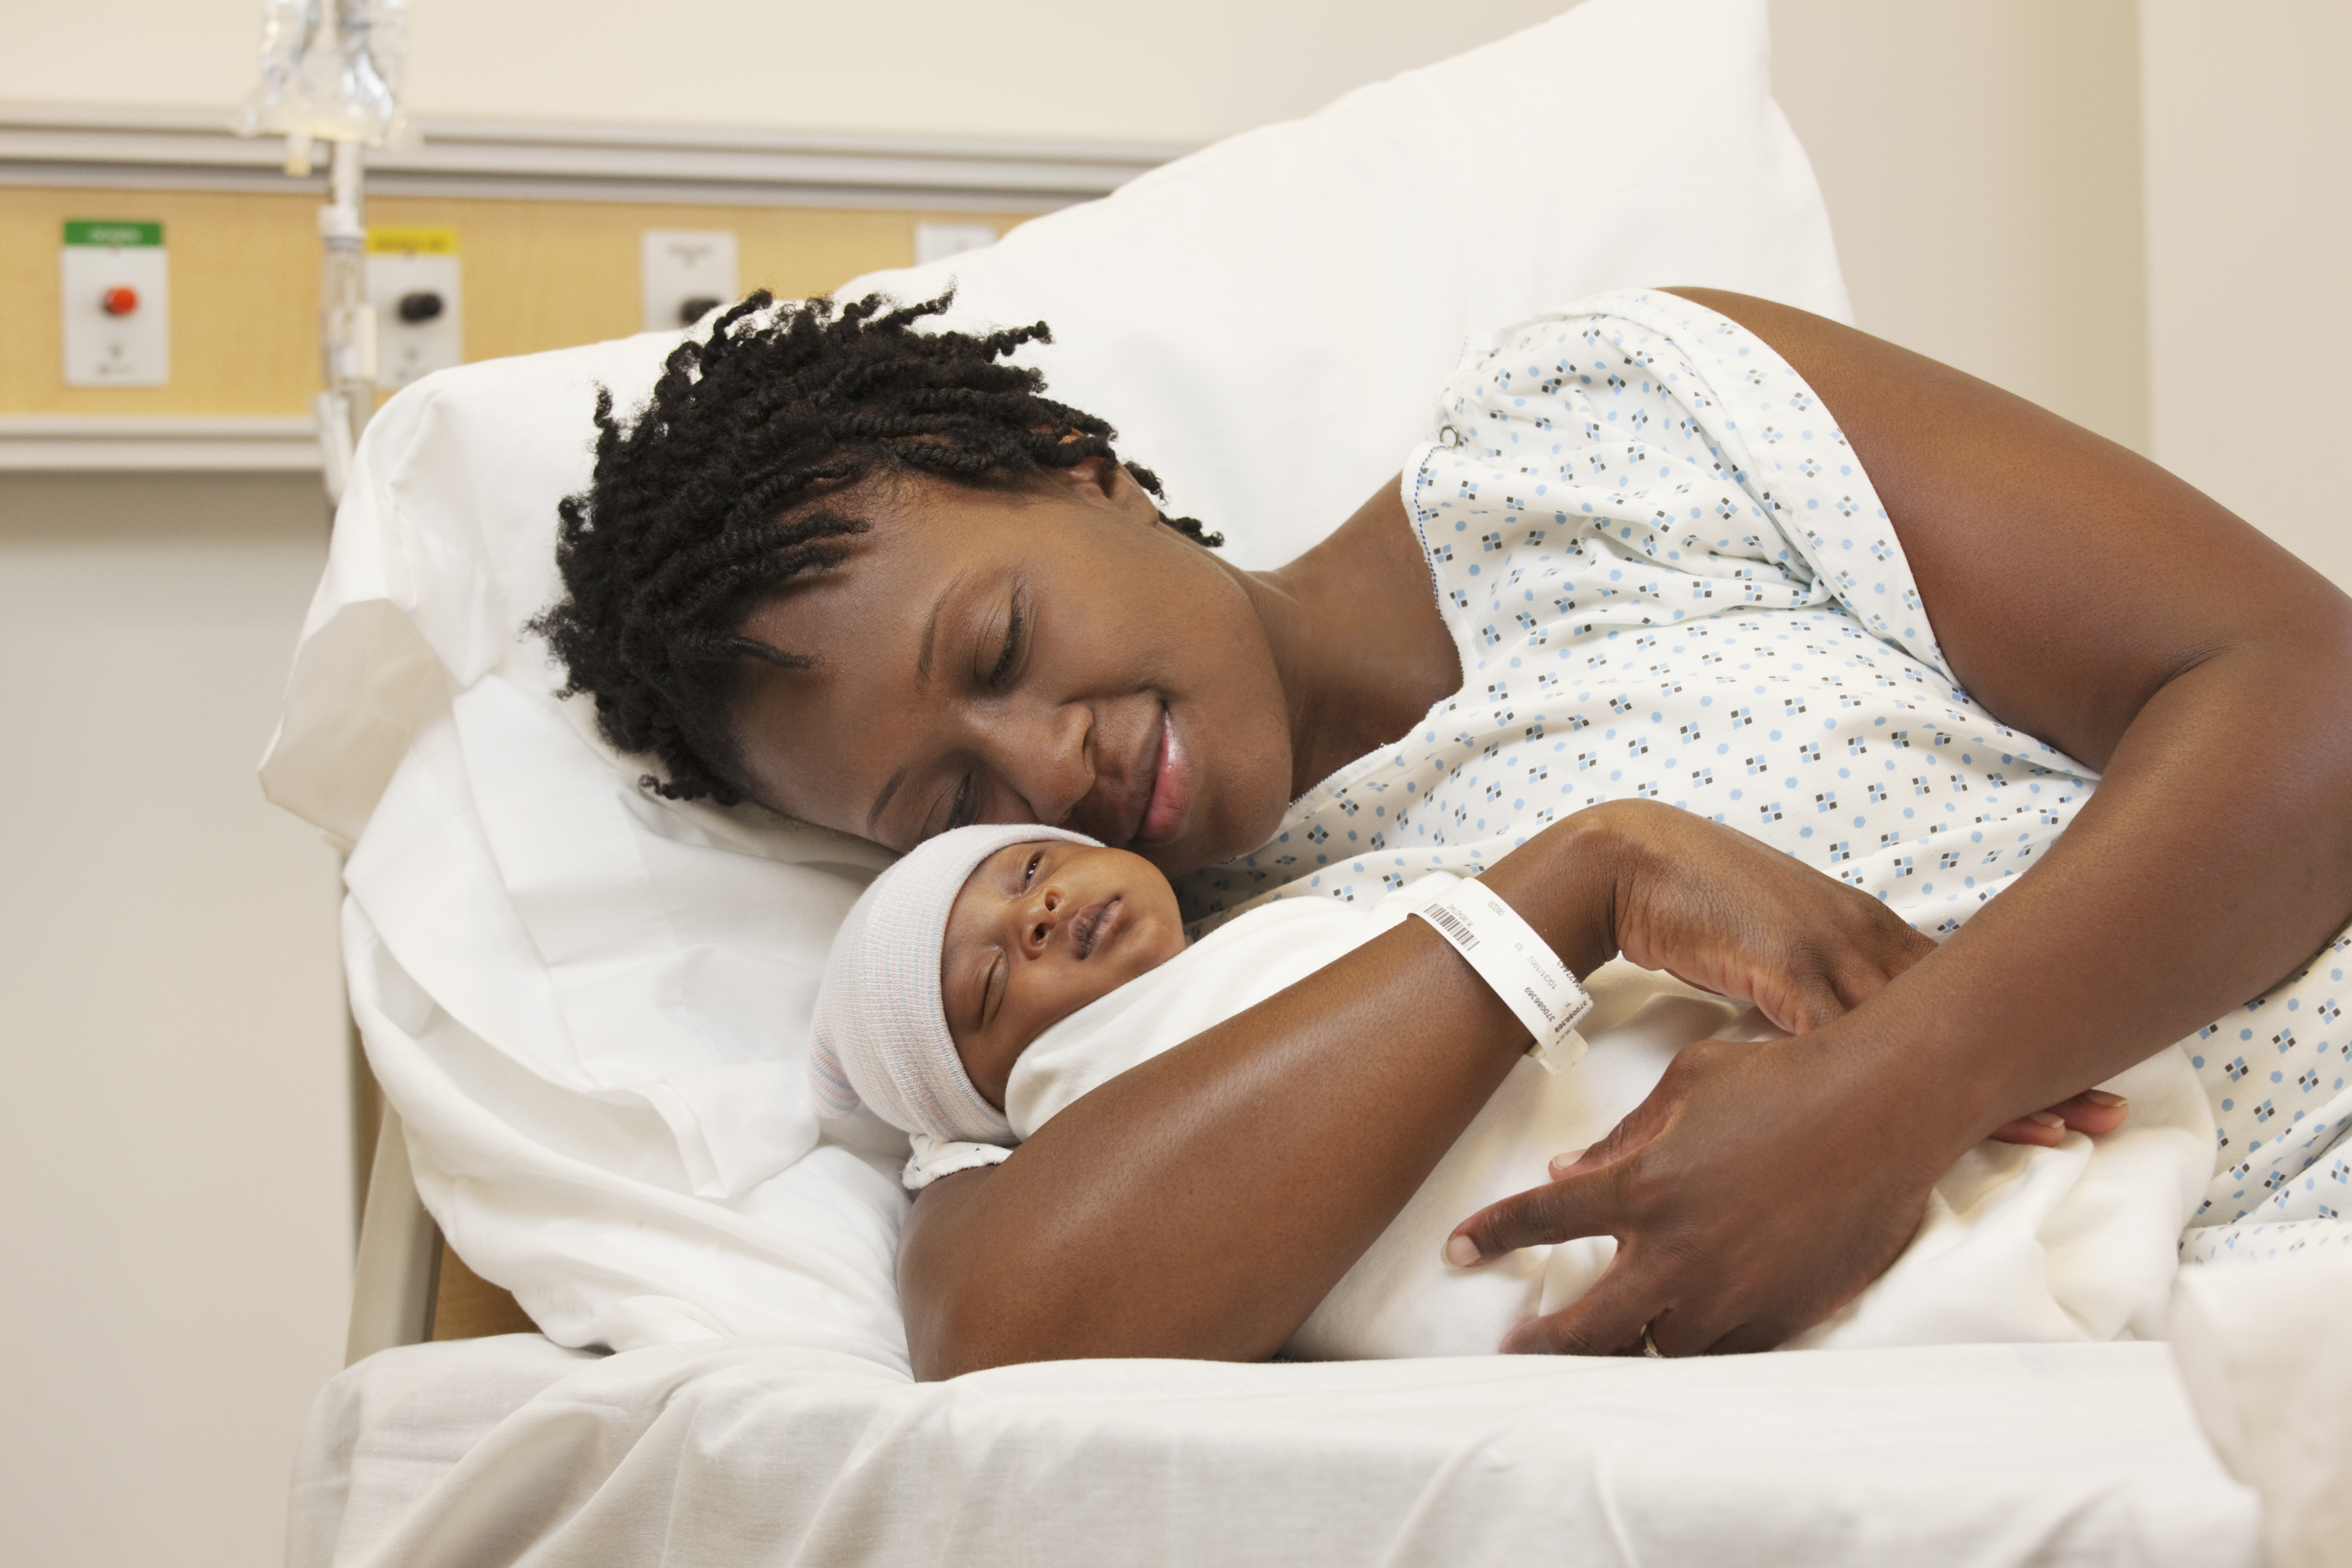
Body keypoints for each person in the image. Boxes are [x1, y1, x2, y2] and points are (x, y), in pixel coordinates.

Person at [531, 285, 2352, 1377]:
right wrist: (1573, 879)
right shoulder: (1185, 1004)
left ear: (1076, 464)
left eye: (1000, 647)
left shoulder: (1600, 432)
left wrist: (1898, 1093)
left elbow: (2300, 690)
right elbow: (998, 1328)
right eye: (949, 803)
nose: (1047, 769)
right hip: (2201, 1363)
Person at [805, 819, 2206, 1358]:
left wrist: (1893, 1077)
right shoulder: (1073, 1115)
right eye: (990, 983)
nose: (1037, 918)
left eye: (1027, 871)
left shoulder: (1311, 923)